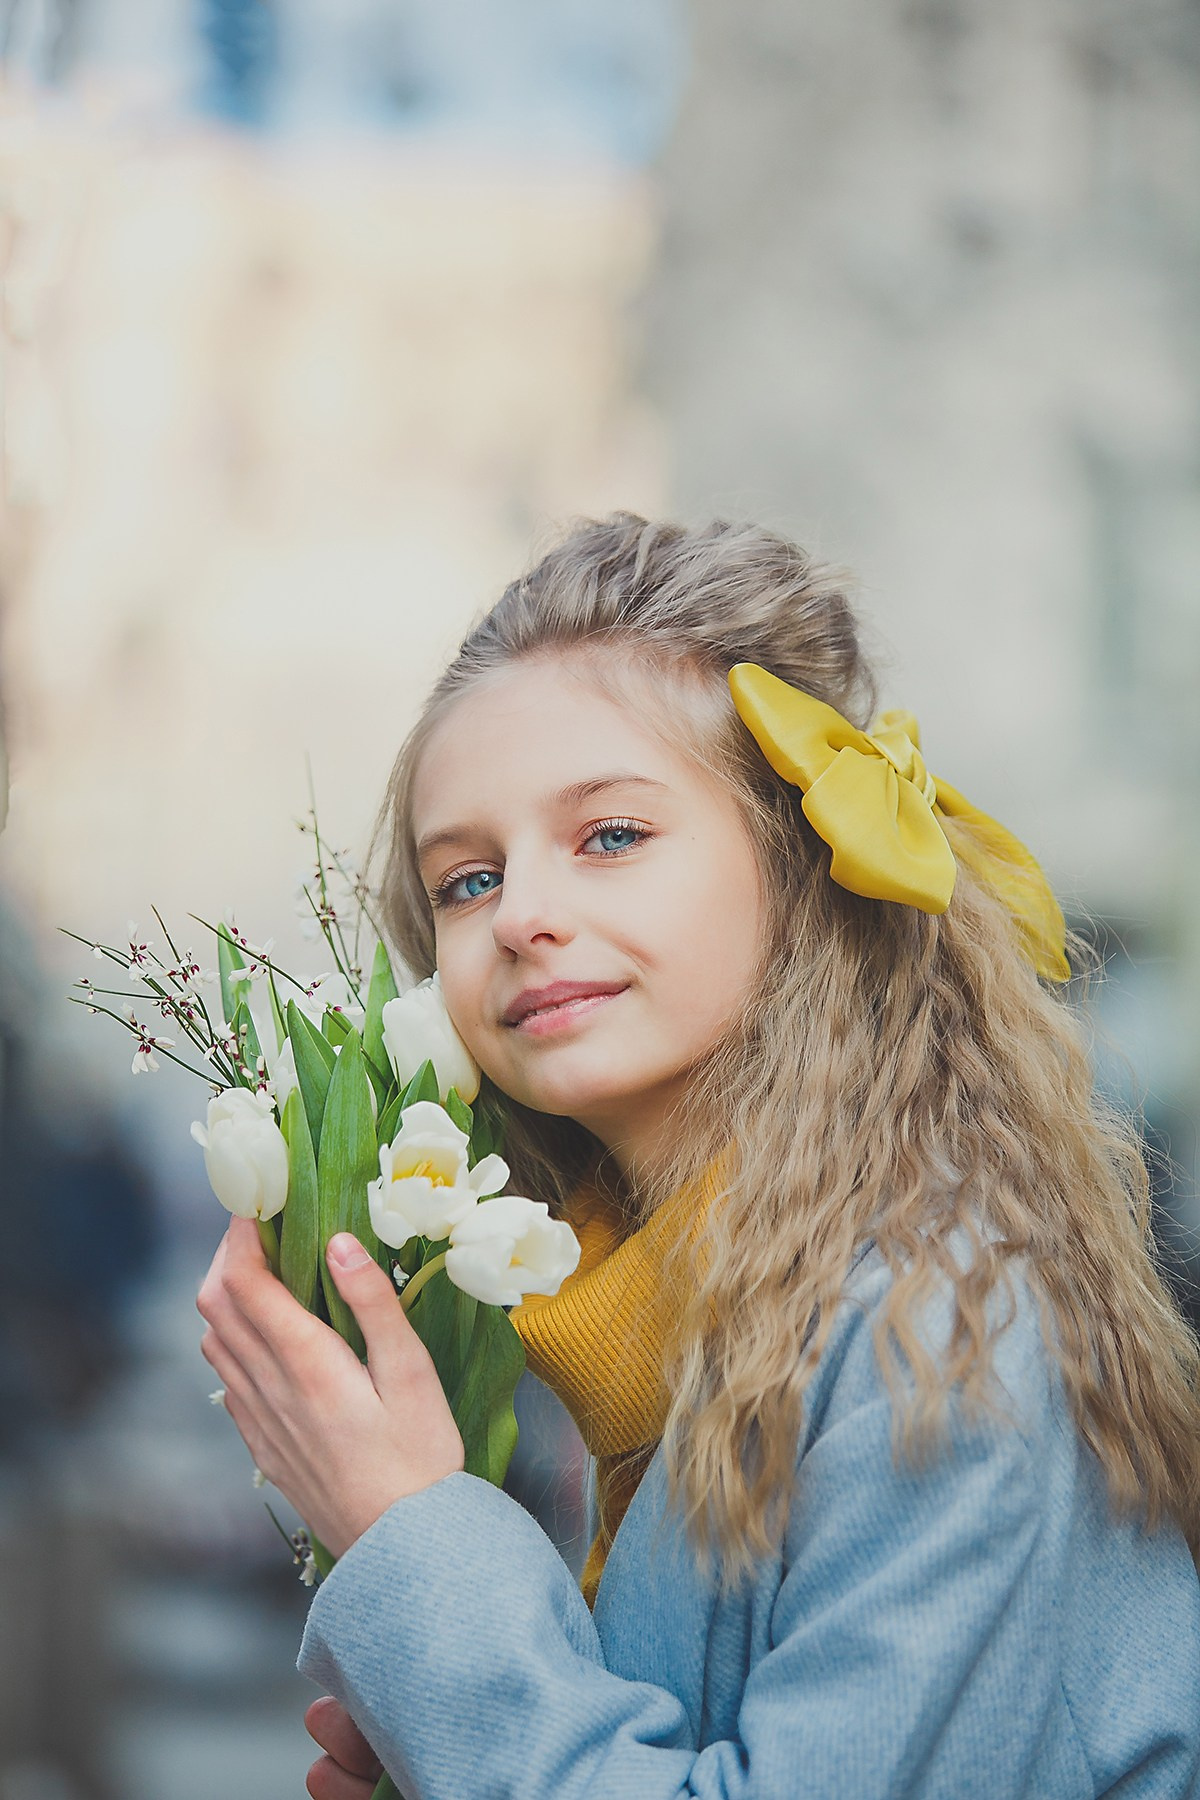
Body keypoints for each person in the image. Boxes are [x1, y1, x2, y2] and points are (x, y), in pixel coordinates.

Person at [197, 514, 1200, 1799]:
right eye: (467, 879)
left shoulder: (935, 1321)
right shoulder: (621, 1321)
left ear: (799, 869)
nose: (525, 917)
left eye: (610, 836)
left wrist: (407, 1536)